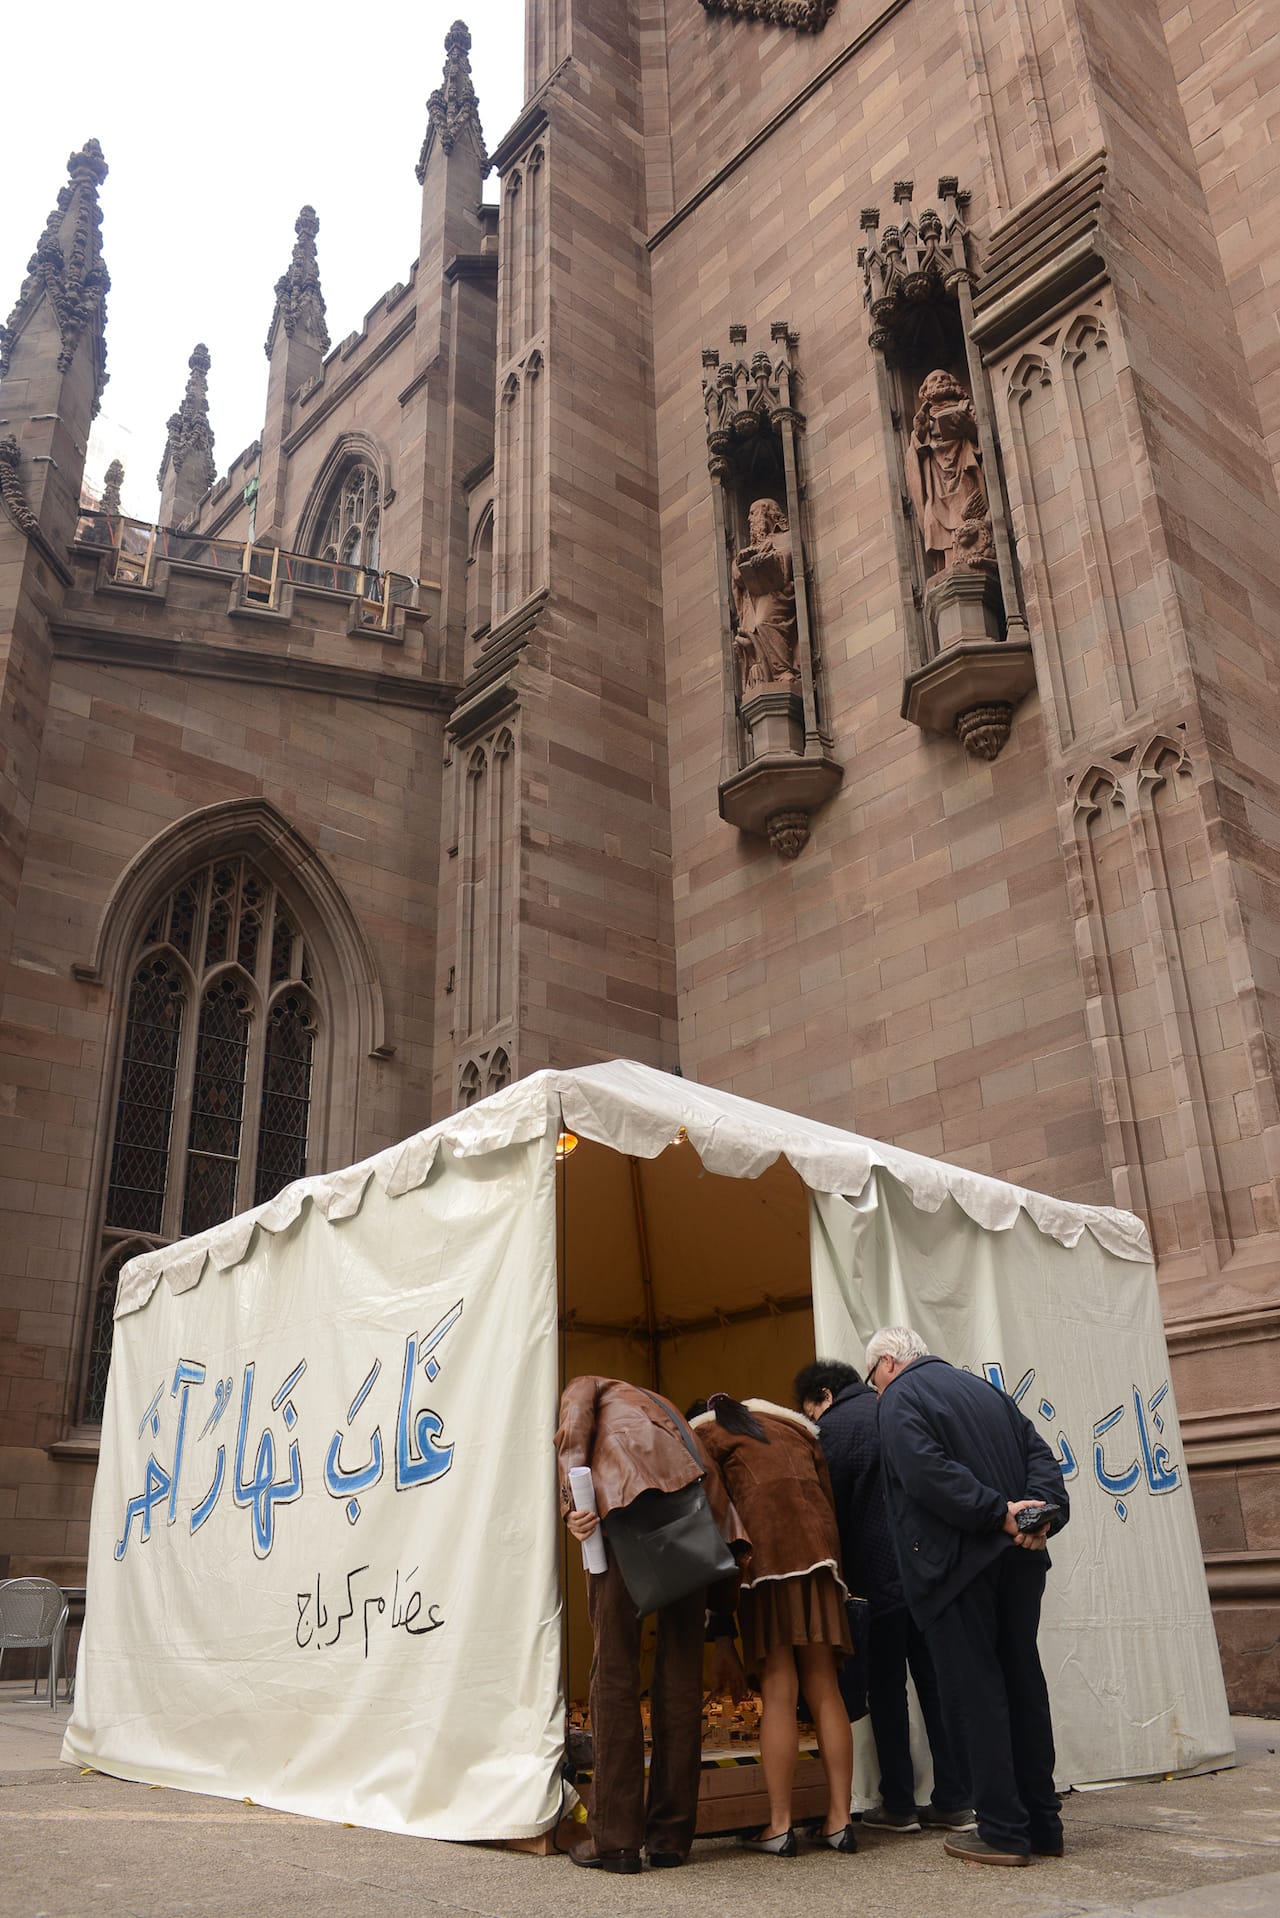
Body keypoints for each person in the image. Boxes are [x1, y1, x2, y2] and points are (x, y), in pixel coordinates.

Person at [867, 1326, 1069, 1868]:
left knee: (976, 1696)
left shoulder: (898, 1399)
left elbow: (926, 1473)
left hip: (955, 1567)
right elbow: (1041, 1456)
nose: (875, 1390)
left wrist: (999, 1514)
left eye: (872, 1378)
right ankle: (1043, 1825)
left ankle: (1003, 1831)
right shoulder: (983, 1389)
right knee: (1024, 1684)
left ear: (887, 1362)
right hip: (1020, 1560)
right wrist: (1038, 1514)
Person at [555, 1375, 744, 1874]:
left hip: (623, 1513)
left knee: (614, 1673)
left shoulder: (586, 1386)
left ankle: (615, 1840)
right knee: (680, 1677)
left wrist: (572, 1501)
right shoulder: (670, 1412)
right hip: (691, 1521)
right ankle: (670, 1839)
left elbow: (573, 1427)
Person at [794, 1357, 972, 1835]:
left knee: (888, 1690)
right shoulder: (899, 1409)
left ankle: (899, 1802)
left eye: (811, 1409)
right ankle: (955, 1798)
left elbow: (829, 1513)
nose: (813, 1419)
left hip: (877, 1581)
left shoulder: (832, 1431)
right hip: (928, 1574)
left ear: (825, 1395)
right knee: (936, 1685)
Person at [692, 1394, 857, 1857]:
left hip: (765, 1563)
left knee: (780, 1689)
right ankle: (840, 1820)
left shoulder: (708, 1434)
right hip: (822, 1560)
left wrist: (718, 1620)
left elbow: (714, 1516)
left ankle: (780, 1825)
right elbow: (828, 1498)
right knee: (824, 1685)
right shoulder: (797, 1430)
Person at [730, 498, 799, 690]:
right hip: (754, 599)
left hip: (780, 594)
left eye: (753, 513)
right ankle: (765, 674)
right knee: (753, 628)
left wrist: (769, 557)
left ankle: (782, 671)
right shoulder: (747, 550)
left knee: (763, 622)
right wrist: (741, 562)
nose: (749, 518)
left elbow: (788, 558)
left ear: (767, 513)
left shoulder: (785, 537)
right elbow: (737, 576)